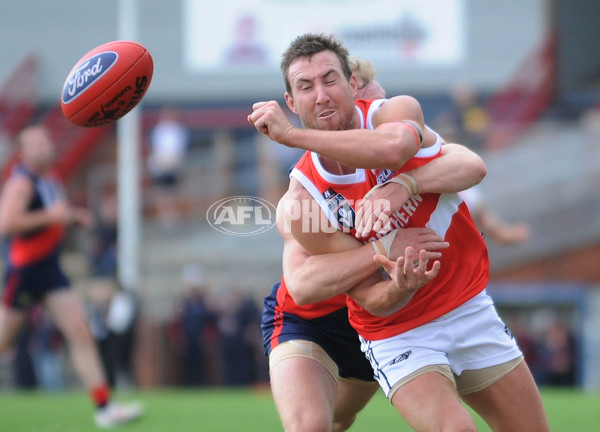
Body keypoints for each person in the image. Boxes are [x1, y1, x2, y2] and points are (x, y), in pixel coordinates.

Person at [250, 33, 549, 431]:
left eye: (330, 80)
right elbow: (346, 292)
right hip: (392, 329)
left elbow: (468, 165)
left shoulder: (396, 115)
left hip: (466, 305)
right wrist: (397, 275)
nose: (321, 96)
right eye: (306, 87)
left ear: (353, 86)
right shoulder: (303, 201)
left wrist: (405, 184)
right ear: (291, 102)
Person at [0, 125, 143, 428]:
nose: (43, 144)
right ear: (23, 154)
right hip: (25, 271)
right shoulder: (22, 183)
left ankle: (104, 408)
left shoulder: (49, 179)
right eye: (34, 142)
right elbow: (6, 222)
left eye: (44, 138)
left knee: (81, 333)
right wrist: (54, 216)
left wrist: (72, 218)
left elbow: (53, 218)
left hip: (50, 269)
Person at [349, 57, 532, 247]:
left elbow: (472, 166)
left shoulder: (397, 120)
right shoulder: (335, 166)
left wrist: (406, 184)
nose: (379, 92)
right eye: (368, 83)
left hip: (447, 247)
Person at [147, 106, 190, 228]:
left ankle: (174, 218)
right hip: (161, 167)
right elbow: (156, 149)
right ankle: (165, 219)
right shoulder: (159, 130)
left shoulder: (178, 130)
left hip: (174, 167)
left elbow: (179, 150)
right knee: (161, 194)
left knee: (173, 193)